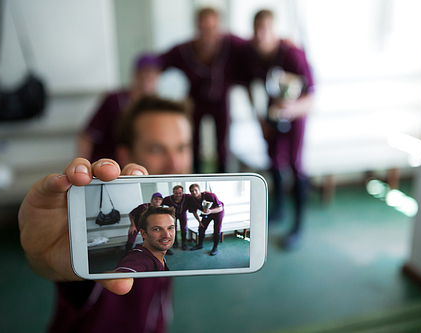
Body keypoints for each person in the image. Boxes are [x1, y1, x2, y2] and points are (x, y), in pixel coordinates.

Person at [19, 96, 192, 333]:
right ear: (125, 154)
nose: (175, 163)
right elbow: (69, 278)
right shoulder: (118, 231)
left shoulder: (166, 215)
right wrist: (46, 262)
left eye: (182, 147)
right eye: (156, 149)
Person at [241, 10, 315, 250]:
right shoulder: (252, 55)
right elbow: (250, 85)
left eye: (266, 29)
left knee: (294, 165)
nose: (261, 35)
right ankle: (279, 210)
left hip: (295, 116)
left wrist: (288, 110)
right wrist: (260, 118)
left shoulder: (292, 54)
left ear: (274, 30)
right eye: (257, 29)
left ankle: (298, 226)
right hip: (272, 114)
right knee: (273, 162)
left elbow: (311, 99)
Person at [158, 7, 248, 173]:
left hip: (221, 102)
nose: (209, 34)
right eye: (204, 28)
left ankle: (223, 179)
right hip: (195, 102)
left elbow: (255, 47)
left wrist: (282, 42)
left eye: (213, 28)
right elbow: (157, 61)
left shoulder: (231, 44)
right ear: (197, 27)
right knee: (193, 143)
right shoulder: (184, 50)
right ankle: (194, 181)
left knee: (222, 146)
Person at [77, 53, 162, 162]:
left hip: (137, 169)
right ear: (135, 74)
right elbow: (87, 136)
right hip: (105, 167)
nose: (148, 77)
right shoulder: (114, 100)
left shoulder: (157, 107)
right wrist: (83, 165)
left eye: (153, 73)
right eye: (144, 72)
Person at [115, 206, 176, 273]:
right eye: (157, 229)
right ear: (144, 233)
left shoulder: (158, 256)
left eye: (170, 228)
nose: (166, 235)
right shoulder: (138, 259)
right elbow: (118, 281)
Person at [187, 183, 224, 256]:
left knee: (217, 229)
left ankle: (215, 248)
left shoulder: (210, 195)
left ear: (199, 190)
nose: (194, 192)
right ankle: (199, 245)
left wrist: (211, 211)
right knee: (201, 227)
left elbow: (220, 208)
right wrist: (199, 222)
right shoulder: (192, 200)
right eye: (192, 191)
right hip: (207, 213)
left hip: (217, 212)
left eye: (195, 190)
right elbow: (194, 212)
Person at [162, 185, 192, 250]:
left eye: (180, 193)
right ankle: (175, 242)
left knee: (183, 228)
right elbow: (160, 203)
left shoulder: (187, 197)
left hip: (183, 214)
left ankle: (183, 243)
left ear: (182, 193)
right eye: (176, 193)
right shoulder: (168, 199)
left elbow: (196, 195)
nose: (178, 195)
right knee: (173, 228)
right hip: (173, 215)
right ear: (173, 193)